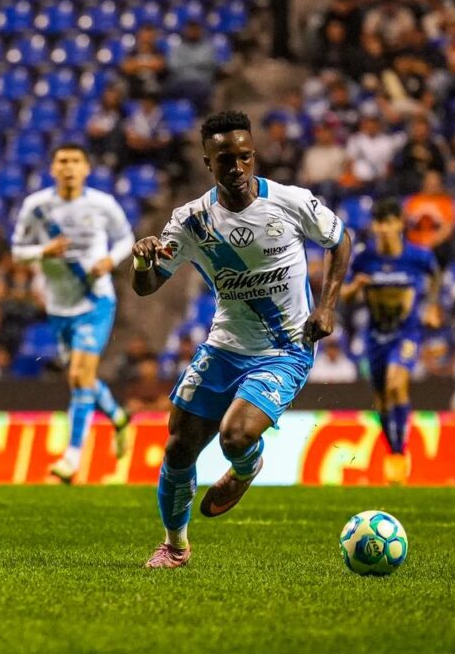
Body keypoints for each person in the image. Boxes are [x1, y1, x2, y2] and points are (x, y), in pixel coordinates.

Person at [131, 110, 351, 568]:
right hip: (225, 346)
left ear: (255, 155)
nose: (237, 167)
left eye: (245, 157)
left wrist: (327, 305)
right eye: (225, 159)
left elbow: (340, 240)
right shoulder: (191, 221)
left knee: (234, 437)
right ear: (207, 162)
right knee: (178, 447)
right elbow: (147, 286)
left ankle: (248, 466)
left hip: (284, 349)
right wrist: (142, 260)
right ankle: (175, 546)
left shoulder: (291, 202)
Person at [11, 143, 136, 482]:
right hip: (58, 305)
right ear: (52, 168)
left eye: (75, 161)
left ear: (86, 168)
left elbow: (127, 239)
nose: (68, 167)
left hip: (95, 300)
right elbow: (18, 252)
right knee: (81, 378)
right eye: (62, 161)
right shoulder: (37, 207)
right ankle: (118, 416)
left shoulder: (102, 204)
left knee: (80, 376)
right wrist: (44, 250)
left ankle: (71, 458)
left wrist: (110, 259)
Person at [341, 200, 441, 484]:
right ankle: (392, 450)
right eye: (379, 223)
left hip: (406, 331)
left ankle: (400, 455)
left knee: (397, 384)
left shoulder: (418, 257)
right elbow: (345, 295)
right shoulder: (364, 258)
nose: (384, 229)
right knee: (381, 398)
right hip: (375, 335)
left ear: (400, 224)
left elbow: (436, 278)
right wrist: (357, 287)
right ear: (374, 226)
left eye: (390, 222)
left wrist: (433, 307)